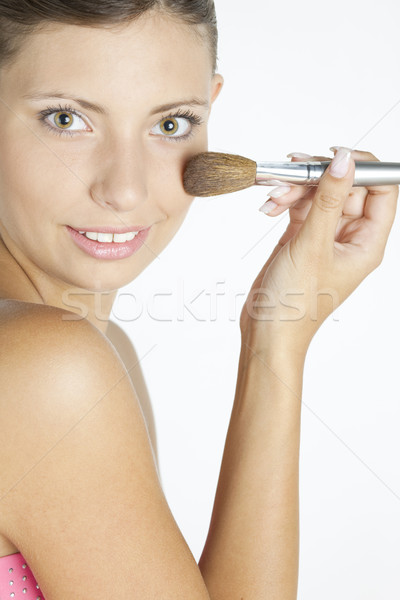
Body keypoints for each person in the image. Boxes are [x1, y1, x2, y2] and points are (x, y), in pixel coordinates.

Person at [0, 1, 397, 598]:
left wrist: (276, 335)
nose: (126, 190)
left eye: (170, 124)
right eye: (64, 119)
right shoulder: (47, 370)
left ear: (211, 105)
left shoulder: (104, 350)